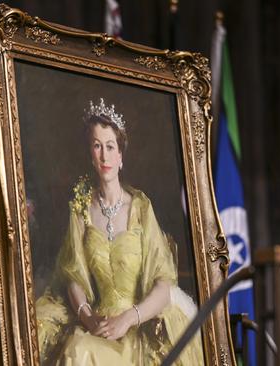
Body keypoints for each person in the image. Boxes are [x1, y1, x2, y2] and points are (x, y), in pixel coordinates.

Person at [36, 98, 203, 365]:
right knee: (76, 350)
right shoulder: (81, 209)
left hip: (139, 325)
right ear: (90, 153)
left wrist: (127, 319)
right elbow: (73, 276)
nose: (104, 156)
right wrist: (89, 319)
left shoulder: (140, 208)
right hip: (99, 324)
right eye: (97, 146)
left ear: (120, 155)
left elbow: (164, 284)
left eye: (110, 146)